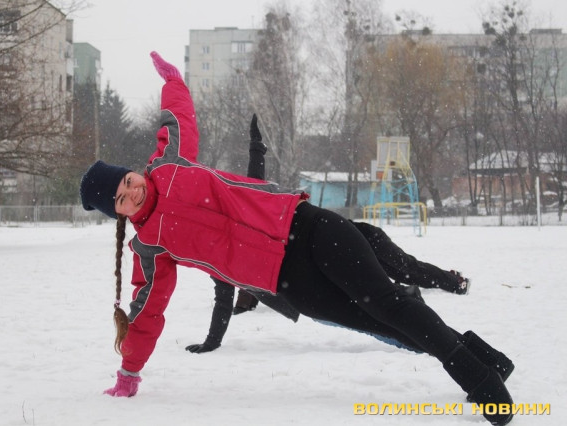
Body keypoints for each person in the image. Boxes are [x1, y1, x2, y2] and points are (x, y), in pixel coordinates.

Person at [79, 52, 514, 425]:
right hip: (292, 284)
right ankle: (486, 359)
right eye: (120, 199)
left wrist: (173, 81)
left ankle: (480, 381)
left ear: (133, 172)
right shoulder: (150, 248)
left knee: (390, 304)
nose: (132, 192)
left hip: (306, 228)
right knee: (384, 323)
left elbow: (177, 120)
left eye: (128, 181)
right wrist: (129, 372)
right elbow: (146, 310)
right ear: (118, 213)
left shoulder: (169, 164)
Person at [186, 114, 471, 355]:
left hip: (348, 240)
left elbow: (254, 182)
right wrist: (212, 341)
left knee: (401, 274)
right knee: (376, 306)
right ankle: (418, 312)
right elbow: (225, 296)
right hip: (330, 258)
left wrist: (256, 147)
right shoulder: (221, 255)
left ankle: (446, 288)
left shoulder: (245, 217)